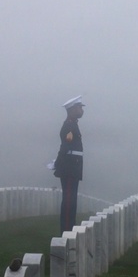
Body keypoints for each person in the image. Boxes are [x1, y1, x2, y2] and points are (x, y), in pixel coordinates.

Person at [54, 96, 84, 233]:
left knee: (71, 200)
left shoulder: (73, 124)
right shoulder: (69, 126)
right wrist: (57, 165)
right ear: (72, 110)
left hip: (73, 167)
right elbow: (65, 148)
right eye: (79, 107)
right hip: (70, 168)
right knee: (69, 201)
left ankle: (70, 227)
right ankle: (66, 230)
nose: (81, 110)